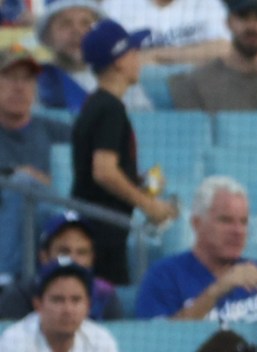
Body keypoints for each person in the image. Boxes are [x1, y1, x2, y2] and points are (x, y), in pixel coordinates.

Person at [72, 19, 179, 285]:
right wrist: (150, 206)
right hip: (103, 231)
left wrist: (138, 181)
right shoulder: (111, 109)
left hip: (97, 227)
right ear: (119, 61)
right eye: (133, 52)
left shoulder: (96, 104)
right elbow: (104, 171)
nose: (139, 58)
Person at [135, 176, 257, 322]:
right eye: (226, 220)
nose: (238, 231)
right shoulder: (164, 276)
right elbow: (159, 339)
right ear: (197, 223)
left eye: (243, 222)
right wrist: (219, 289)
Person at [0, 45, 71, 289]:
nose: (19, 87)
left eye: (27, 79)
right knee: (21, 185)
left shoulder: (56, 131)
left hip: (47, 217)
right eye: (9, 77)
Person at [168, 0, 257, 111]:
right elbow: (195, 142)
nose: (252, 26)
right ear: (228, 23)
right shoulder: (198, 81)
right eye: (243, 17)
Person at [0, 258, 120, 352]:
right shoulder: (13, 342)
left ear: (88, 305)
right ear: (38, 304)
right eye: (57, 300)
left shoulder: (102, 342)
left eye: (76, 300)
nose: (68, 310)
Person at [0, 211, 121, 321]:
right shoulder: (19, 295)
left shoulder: (105, 294)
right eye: (64, 251)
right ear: (44, 256)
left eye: (82, 252)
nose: (73, 259)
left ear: (92, 258)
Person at [35, 0, 154, 111]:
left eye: (86, 23)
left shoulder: (121, 77)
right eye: (65, 24)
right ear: (47, 36)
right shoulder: (36, 80)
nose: (77, 31)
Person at [101, 0, 229, 65]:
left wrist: (158, 55)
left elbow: (226, 49)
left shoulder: (207, 3)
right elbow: (107, 60)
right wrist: (192, 54)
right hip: (135, 99)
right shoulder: (116, 5)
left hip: (196, 96)